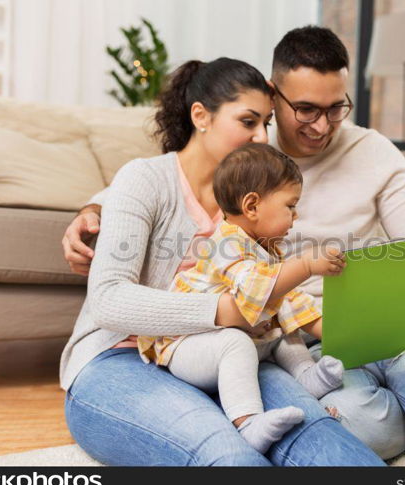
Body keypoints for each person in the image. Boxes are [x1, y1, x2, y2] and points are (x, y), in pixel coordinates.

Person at [64, 27, 405, 465]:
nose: (321, 125)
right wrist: (93, 210)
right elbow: (153, 191)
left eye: (336, 108)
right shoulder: (228, 176)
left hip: (348, 323)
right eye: (305, 109)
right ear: (273, 93)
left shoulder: (361, 154)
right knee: (356, 429)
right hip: (282, 336)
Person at [59, 57, 386, 466]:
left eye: (266, 123)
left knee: (314, 432)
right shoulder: (146, 180)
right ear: (201, 116)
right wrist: (224, 312)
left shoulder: (256, 206)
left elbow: (277, 291)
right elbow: (108, 300)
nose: (262, 137)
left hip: (235, 350)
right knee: (226, 452)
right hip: (120, 356)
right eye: (248, 122)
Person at [138, 143, 348, 454]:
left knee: (282, 327)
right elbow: (255, 291)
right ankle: (248, 422)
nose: (296, 215)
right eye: (290, 206)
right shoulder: (226, 243)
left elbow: (291, 301)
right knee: (237, 341)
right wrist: (305, 265)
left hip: (224, 340)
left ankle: (306, 375)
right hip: (186, 345)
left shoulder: (266, 249)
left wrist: (342, 336)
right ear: (251, 206)